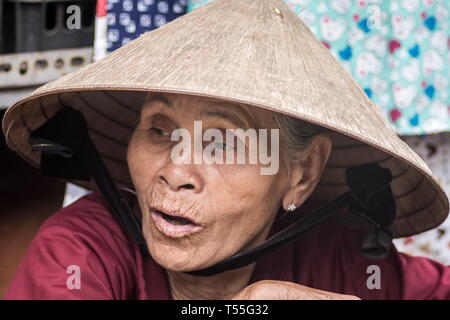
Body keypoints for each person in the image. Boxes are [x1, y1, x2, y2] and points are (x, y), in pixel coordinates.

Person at [2, 0, 450, 300]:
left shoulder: (342, 259)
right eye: (159, 129)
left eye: (223, 143)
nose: (176, 171)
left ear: (302, 174)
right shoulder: (81, 252)